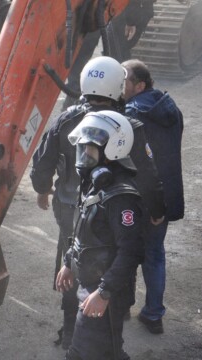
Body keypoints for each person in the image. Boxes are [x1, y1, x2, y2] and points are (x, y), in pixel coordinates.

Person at [31, 55, 165, 348]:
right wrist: (156, 209)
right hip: (111, 212)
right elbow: (147, 173)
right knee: (115, 261)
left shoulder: (66, 119)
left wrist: (42, 189)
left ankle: (71, 331)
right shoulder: (128, 126)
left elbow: (42, 164)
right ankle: (109, 324)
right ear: (118, 85)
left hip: (70, 209)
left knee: (74, 261)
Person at [57, 110, 146, 360]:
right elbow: (85, 232)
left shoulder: (121, 197)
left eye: (90, 150)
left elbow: (131, 252)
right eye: (82, 149)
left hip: (105, 292)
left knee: (81, 353)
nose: (84, 156)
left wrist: (104, 292)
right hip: (92, 285)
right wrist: (69, 262)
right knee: (107, 351)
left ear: (112, 150)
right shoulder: (96, 185)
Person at [122, 59, 184, 335]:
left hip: (138, 196)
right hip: (165, 195)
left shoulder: (132, 113)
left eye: (124, 80)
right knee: (155, 254)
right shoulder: (171, 108)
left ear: (139, 85)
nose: (119, 85)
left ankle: (122, 307)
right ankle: (154, 314)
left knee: (125, 250)